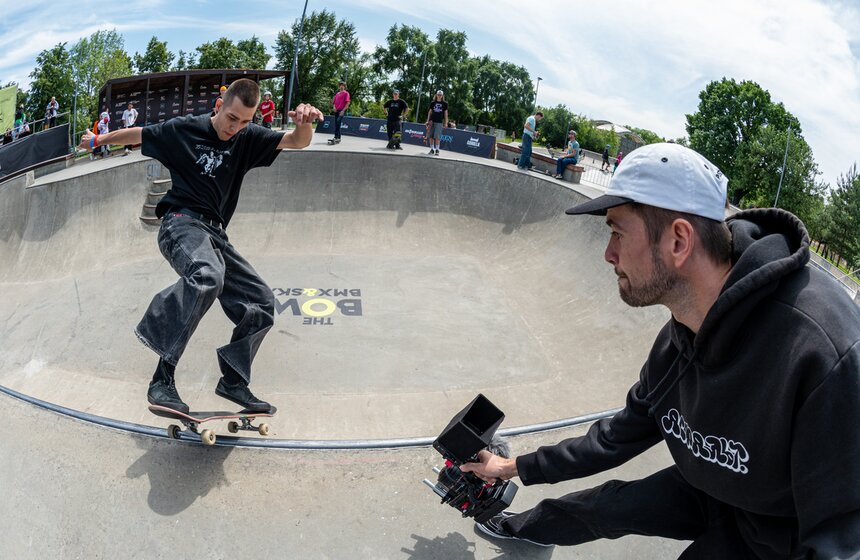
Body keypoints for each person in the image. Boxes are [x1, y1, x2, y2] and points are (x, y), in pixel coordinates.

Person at [461, 142, 860, 558]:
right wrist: (511, 467)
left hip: (780, 534)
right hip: (710, 484)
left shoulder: (823, 351)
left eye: (618, 233)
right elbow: (614, 438)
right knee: (608, 505)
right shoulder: (678, 339)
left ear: (679, 241)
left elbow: (843, 541)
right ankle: (521, 527)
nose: (608, 254)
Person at [77, 78, 324, 415]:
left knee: (261, 300)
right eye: (231, 118)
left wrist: (304, 123)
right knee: (207, 275)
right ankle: (162, 379)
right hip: (180, 223)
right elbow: (139, 134)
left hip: (216, 235)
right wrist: (97, 140)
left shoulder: (247, 137)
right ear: (219, 106)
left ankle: (234, 380)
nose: (235, 128)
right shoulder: (184, 129)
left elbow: (296, 141)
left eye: (244, 122)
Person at [424, 90, 448, 156]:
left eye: (440, 95)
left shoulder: (445, 103)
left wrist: (446, 122)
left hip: (439, 122)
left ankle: (437, 150)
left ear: (442, 96)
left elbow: (446, 114)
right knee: (431, 136)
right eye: (438, 94)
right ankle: (432, 149)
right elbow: (430, 112)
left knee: (437, 137)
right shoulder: (433, 103)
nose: (439, 96)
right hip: (432, 121)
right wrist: (427, 120)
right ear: (436, 95)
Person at [329, 80, 350, 144]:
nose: (341, 86)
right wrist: (334, 107)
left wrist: (343, 110)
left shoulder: (346, 93)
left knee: (338, 122)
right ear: (339, 86)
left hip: (341, 111)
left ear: (345, 87)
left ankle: (336, 137)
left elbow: (347, 103)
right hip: (336, 110)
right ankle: (338, 138)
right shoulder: (337, 94)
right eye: (340, 85)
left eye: (343, 85)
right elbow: (333, 102)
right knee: (336, 124)